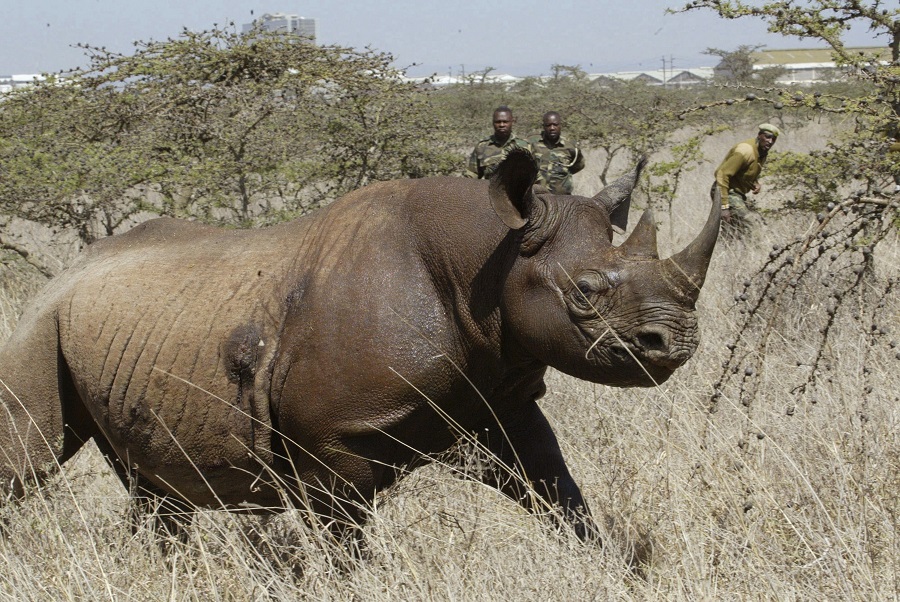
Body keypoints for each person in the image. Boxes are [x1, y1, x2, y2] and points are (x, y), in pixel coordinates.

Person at [714, 123, 780, 236]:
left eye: (773, 139)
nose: (770, 141)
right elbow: (721, 174)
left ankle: (726, 249)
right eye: (767, 137)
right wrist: (724, 206)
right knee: (753, 225)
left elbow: (746, 172)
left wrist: (755, 183)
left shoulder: (762, 152)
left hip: (738, 194)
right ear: (759, 135)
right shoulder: (745, 151)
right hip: (727, 192)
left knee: (733, 232)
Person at [465, 106, 533, 179]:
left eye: (505, 122)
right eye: (498, 122)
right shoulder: (482, 146)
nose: (501, 125)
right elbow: (471, 176)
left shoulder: (525, 145)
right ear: (493, 123)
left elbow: (534, 174)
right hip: (489, 189)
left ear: (512, 122)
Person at [528, 111, 585, 194]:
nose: (552, 128)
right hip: (538, 197)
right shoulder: (532, 142)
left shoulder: (571, 145)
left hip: (563, 200)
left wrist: (562, 174)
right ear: (543, 126)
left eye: (555, 124)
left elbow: (579, 165)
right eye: (548, 125)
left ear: (560, 125)